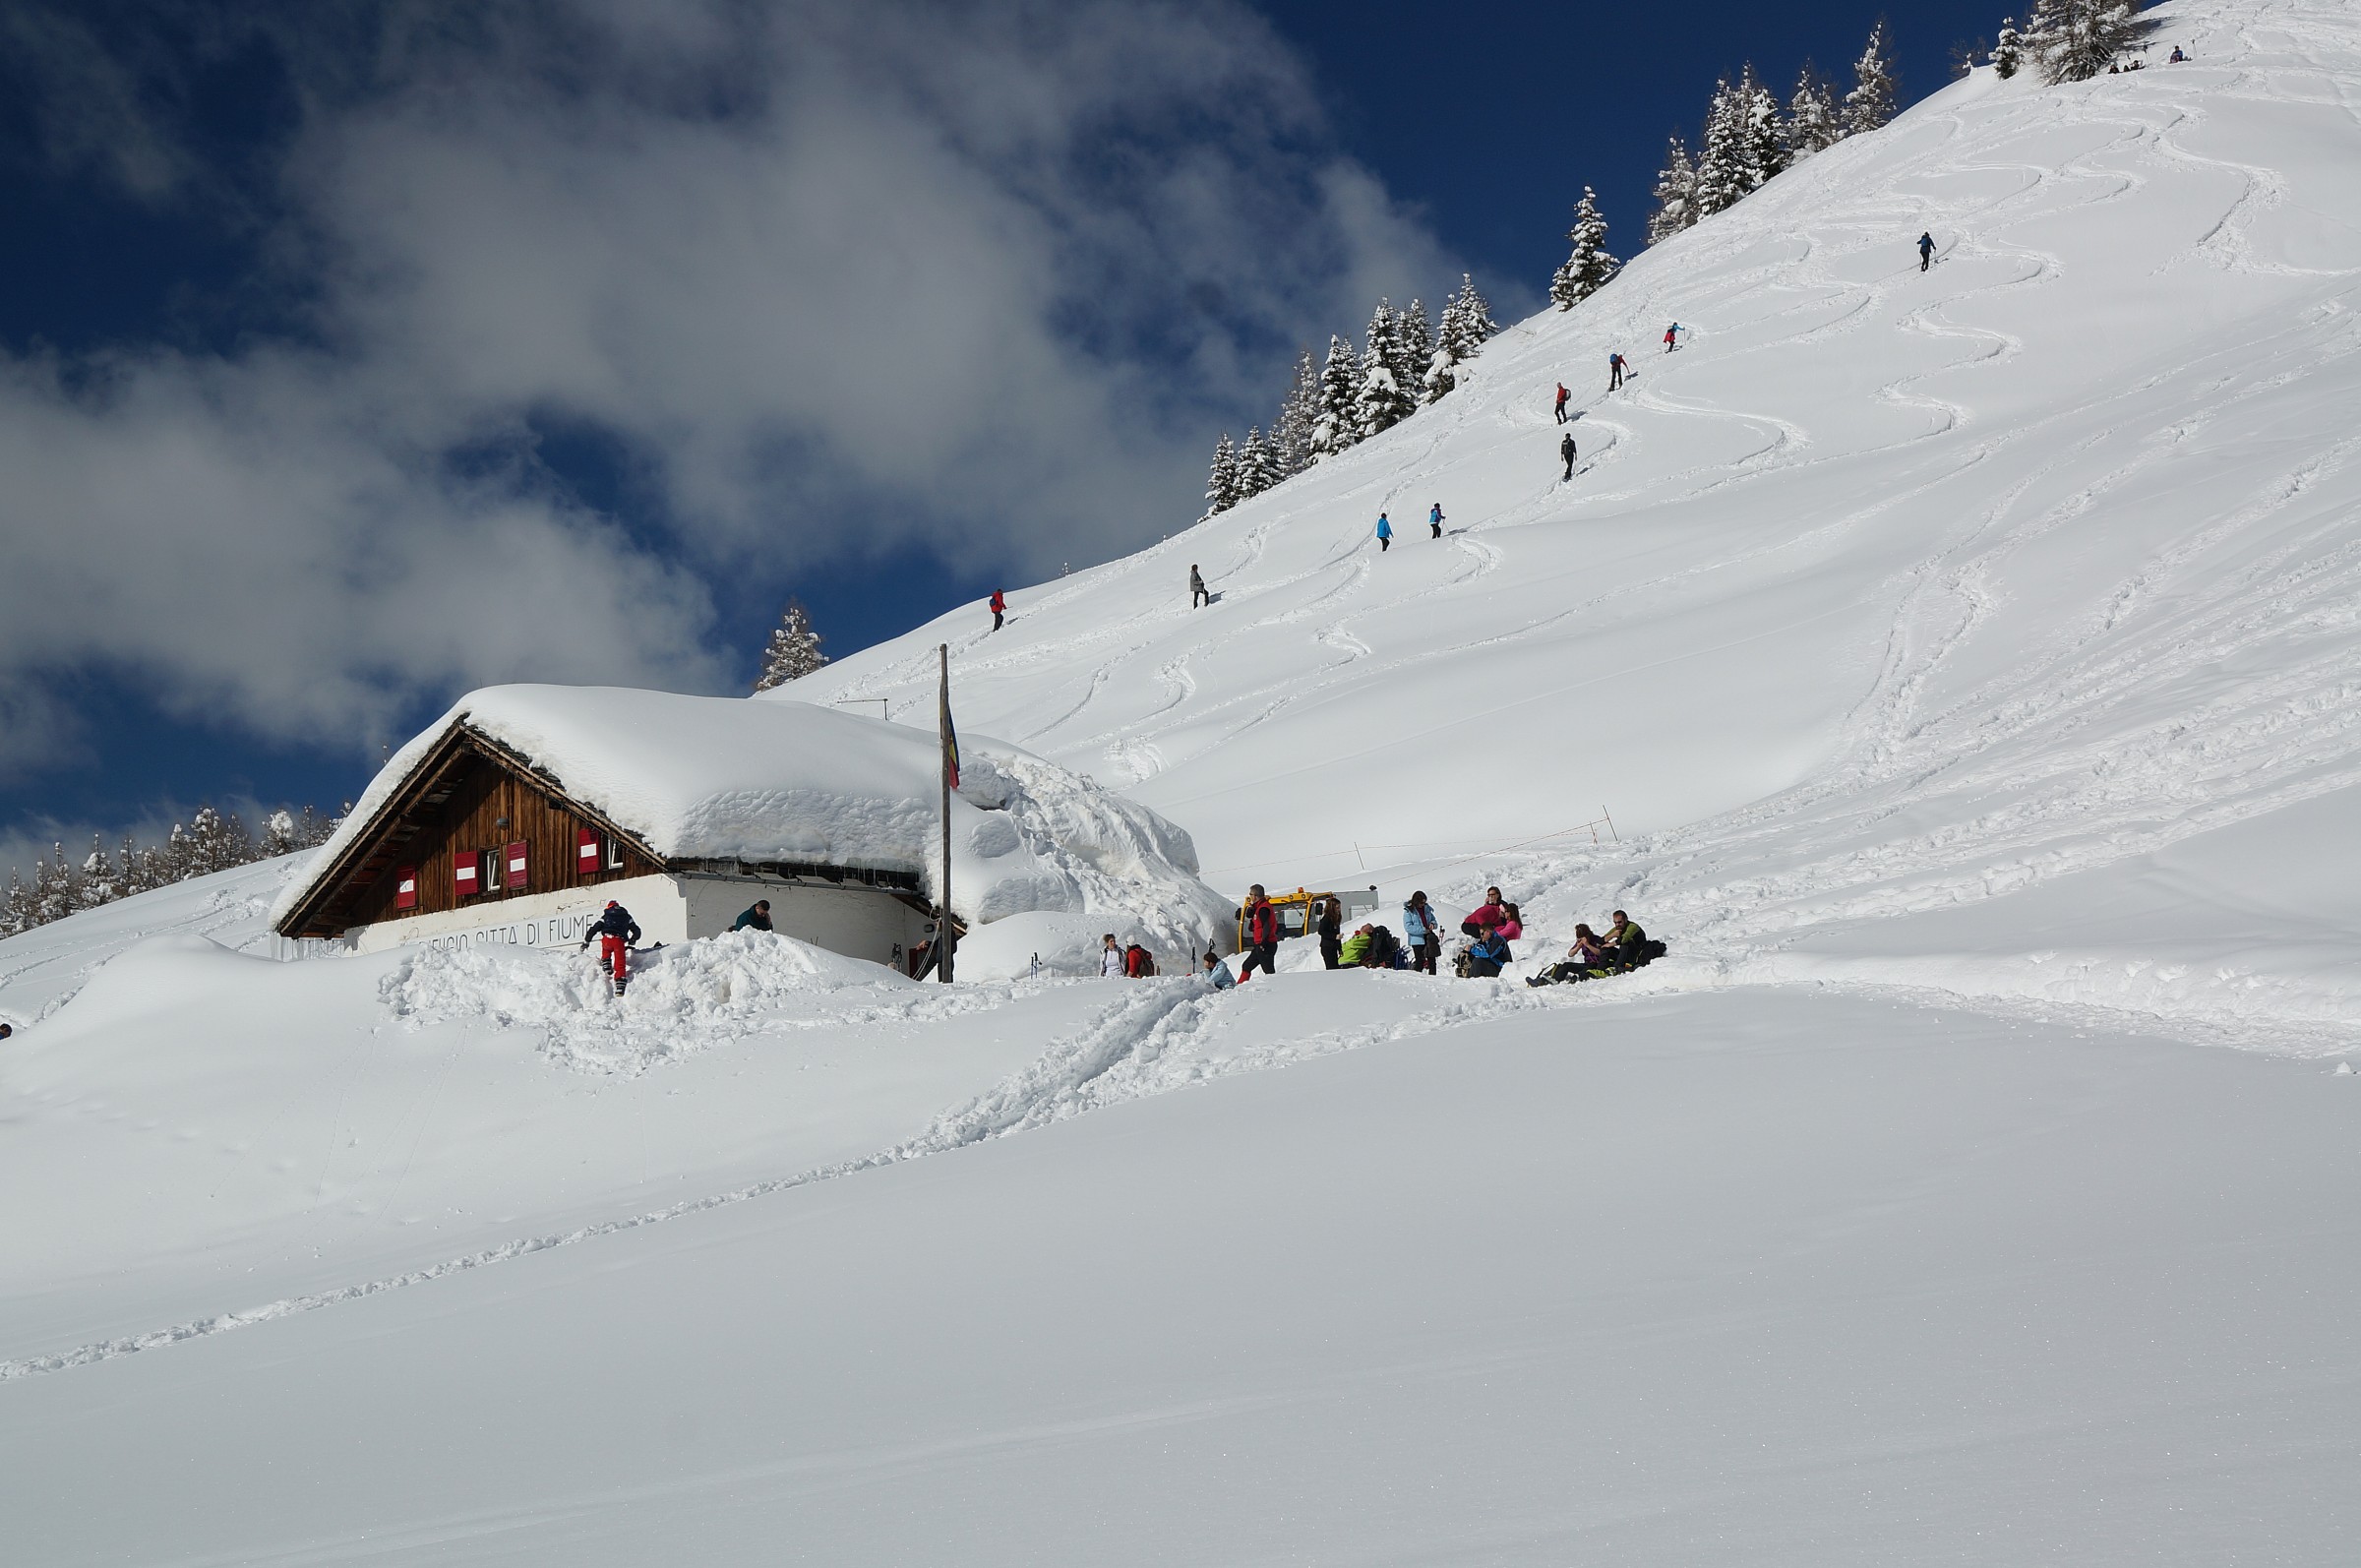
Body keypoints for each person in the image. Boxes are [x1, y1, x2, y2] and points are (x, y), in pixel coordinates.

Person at [580, 900, 641, 995]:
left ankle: (606, 964)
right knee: (620, 962)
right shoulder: (627, 917)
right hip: (618, 941)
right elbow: (637, 930)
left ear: (609, 907)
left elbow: (593, 929)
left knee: (606, 949)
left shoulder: (605, 916)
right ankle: (620, 983)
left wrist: (587, 941)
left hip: (607, 940)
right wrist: (633, 939)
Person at [1528, 925, 1611, 987]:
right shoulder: (1580, 942)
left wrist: (1588, 945)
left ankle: (1578, 977)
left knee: (1590, 965)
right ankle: (1553, 979)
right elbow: (1570, 954)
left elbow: (1601, 953)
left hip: (1597, 965)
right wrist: (1578, 946)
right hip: (1587, 964)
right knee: (1566, 965)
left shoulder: (1596, 939)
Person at [1239, 884, 1280, 983]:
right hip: (1260, 944)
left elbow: (1266, 926)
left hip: (1266, 944)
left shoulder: (1263, 908)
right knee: (1247, 966)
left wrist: (1263, 943)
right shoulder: (1258, 907)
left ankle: (1275, 987)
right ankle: (1239, 987)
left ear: (1255, 896)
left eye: (1251, 894)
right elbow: (1253, 919)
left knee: (1269, 971)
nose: (1250, 896)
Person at [1402, 891, 1440, 974]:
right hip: (1417, 939)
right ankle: (1417, 978)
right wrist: (1422, 930)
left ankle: (1433, 978)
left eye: (1424, 902)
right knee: (1419, 962)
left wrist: (1433, 924)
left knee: (1432, 961)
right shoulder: (1408, 911)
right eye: (1421, 903)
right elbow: (1408, 927)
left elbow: (1434, 920)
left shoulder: (1427, 909)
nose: (1423, 905)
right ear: (1416, 902)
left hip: (1428, 938)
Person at [1316, 896, 1343, 970]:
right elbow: (1321, 931)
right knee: (1331, 968)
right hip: (1327, 947)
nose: (1339, 909)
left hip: (1333, 947)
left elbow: (1337, 933)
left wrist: (1339, 948)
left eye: (1339, 907)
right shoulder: (1327, 918)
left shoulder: (1336, 918)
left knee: (1335, 967)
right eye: (1337, 907)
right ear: (1332, 908)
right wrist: (1334, 936)